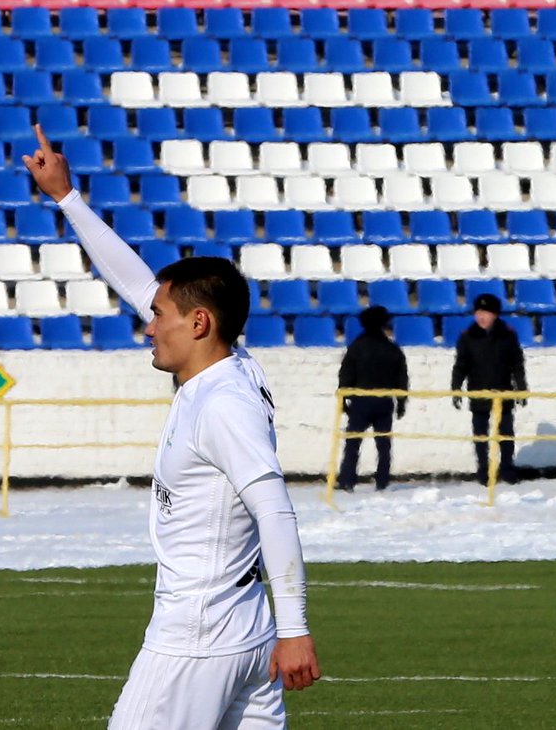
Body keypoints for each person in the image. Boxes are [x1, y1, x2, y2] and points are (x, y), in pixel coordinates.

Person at [23, 125, 319, 729]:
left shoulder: (222, 405)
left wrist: (296, 630)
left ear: (200, 323)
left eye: (159, 317)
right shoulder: (231, 364)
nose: (148, 326)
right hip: (245, 632)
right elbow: (136, 281)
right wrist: (66, 198)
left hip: (198, 638)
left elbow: (275, 511)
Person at [450, 294, 527, 485]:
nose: (481, 317)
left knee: (506, 434)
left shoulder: (508, 335)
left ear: (495, 314)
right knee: (480, 435)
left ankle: (507, 469)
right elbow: (460, 365)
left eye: (486, 313)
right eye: (478, 312)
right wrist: (456, 387)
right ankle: (484, 470)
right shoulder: (467, 336)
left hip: (503, 391)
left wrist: (521, 387)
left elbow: (517, 364)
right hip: (478, 392)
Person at [336, 305, 408, 491]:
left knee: (353, 442)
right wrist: (401, 402)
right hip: (384, 400)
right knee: (383, 444)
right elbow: (401, 378)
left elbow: (346, 374)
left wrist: (344, 399)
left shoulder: (356, 347)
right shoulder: (392, 349)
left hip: (361, 400)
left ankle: (347, 480)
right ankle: (382, 481)